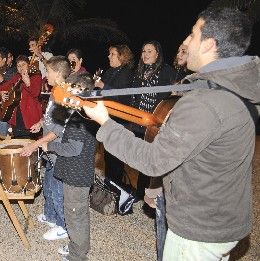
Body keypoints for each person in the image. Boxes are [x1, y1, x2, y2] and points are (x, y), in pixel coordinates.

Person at [82, 7, 257, 260]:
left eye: (193, 34)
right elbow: (202, 156)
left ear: (209, 44)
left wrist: (106, 124)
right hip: (222, 217)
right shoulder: (238, 86)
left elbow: (153, 160)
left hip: (199, 229)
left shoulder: (204, 101)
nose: (185, 41)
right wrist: (162, 188)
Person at [43, 72, 98, 261]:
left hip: (77, 174)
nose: (67, 90)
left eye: (71, 88)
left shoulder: (80, 117)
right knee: (79, 214)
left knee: (75, 216)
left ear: (81, 91)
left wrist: (50, 146)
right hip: (78, 172)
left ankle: (77, 255)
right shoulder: (83, 111)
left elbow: (73, 149)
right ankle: (78, 248)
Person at [21, 55, 72, 241]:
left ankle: (64, 226)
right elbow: (51, 117)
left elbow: (59, 130)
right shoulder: (54, 92)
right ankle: (51, 216)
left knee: (58, 190)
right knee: (49, 185)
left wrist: (35, 144)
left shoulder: (66, 95)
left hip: (58, 150)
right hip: (49, 151)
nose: (45, 75)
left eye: (48, 71)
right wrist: (40, 122)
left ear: (58, 73)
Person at [129, 40, 176, 202]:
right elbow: (134, 97)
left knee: (151, 160)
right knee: (141, 159)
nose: (146, 54)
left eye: (149, 51)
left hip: (155, 125)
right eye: (143, 51)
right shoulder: (139, 71)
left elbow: (172, 99)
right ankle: (140, 192)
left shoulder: (166, 71)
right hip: (138, 123)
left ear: (157, 54)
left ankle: (150, 196)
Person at [94, 44, 135, 186]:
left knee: (116, 160)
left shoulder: (126, 73)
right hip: (108, 120)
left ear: (121, 56)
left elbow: (123, 97)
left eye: (112, 54)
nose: (108, 56)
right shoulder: (110, 71)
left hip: (119, 123)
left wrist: (103, 86)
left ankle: (119, 192)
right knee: (108, 158)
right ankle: (110, 190)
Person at [0, 55, 42, 138]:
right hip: (16, 117)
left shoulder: (36, 76)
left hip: (30, 117)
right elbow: (0, 88)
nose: (21, 67)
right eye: (18, 66)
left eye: (23, 64)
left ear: (29, 65)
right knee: (18, 141)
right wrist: (1, 93)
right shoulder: (16, 77)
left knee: (31, 143)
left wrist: (28, 83)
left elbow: (36, 93)